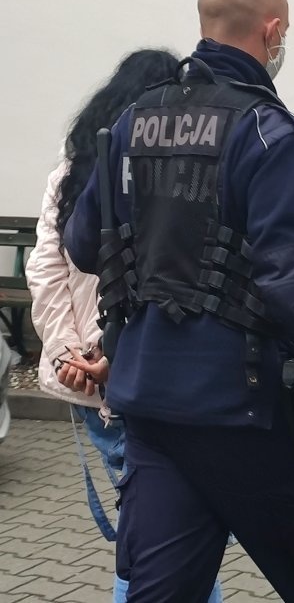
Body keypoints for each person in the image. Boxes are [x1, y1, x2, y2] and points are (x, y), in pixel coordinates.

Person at [60, 0, 294, 600]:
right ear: (272, 30)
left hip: (152, 414)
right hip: (248, 415)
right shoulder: (269, 134)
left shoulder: (131, 122)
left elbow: (83, 244)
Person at [25, 49, 223, 602]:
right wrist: (76, 354)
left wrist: (71, 353)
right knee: (165, 533)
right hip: (137, 375)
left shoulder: (76, 172)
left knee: (161, 529)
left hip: (114, 371)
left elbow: (48, 269)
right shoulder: (150, 173)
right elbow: (52, 266)